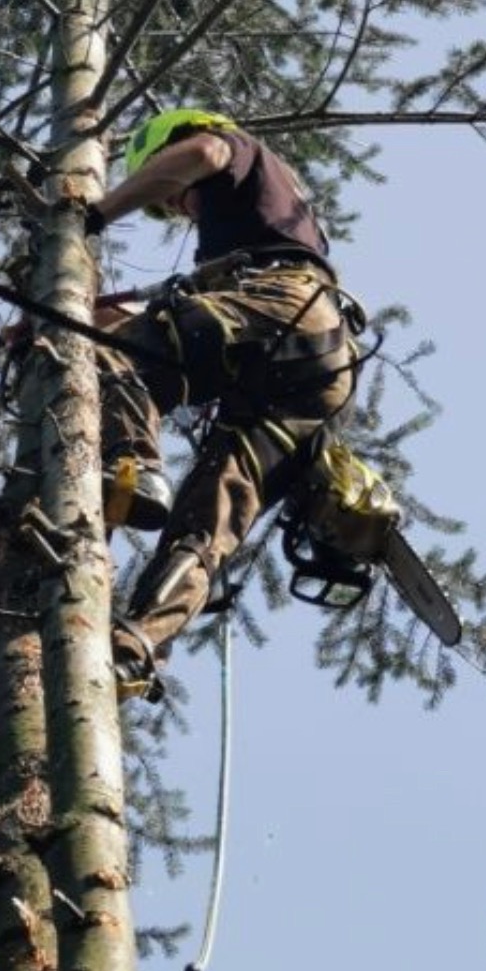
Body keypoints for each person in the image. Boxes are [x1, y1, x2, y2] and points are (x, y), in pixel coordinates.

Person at [87, 109, 360, 699]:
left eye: (174, 198)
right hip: (318, 364)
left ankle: (133, 466)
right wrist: (63, 318)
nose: (179, 207)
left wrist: (95, 214)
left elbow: (202, 156)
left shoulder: (229, 149)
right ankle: (136, 646)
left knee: (111, 355)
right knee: (208, 515)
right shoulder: (260, 225)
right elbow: (168, 327)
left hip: (280, 309)